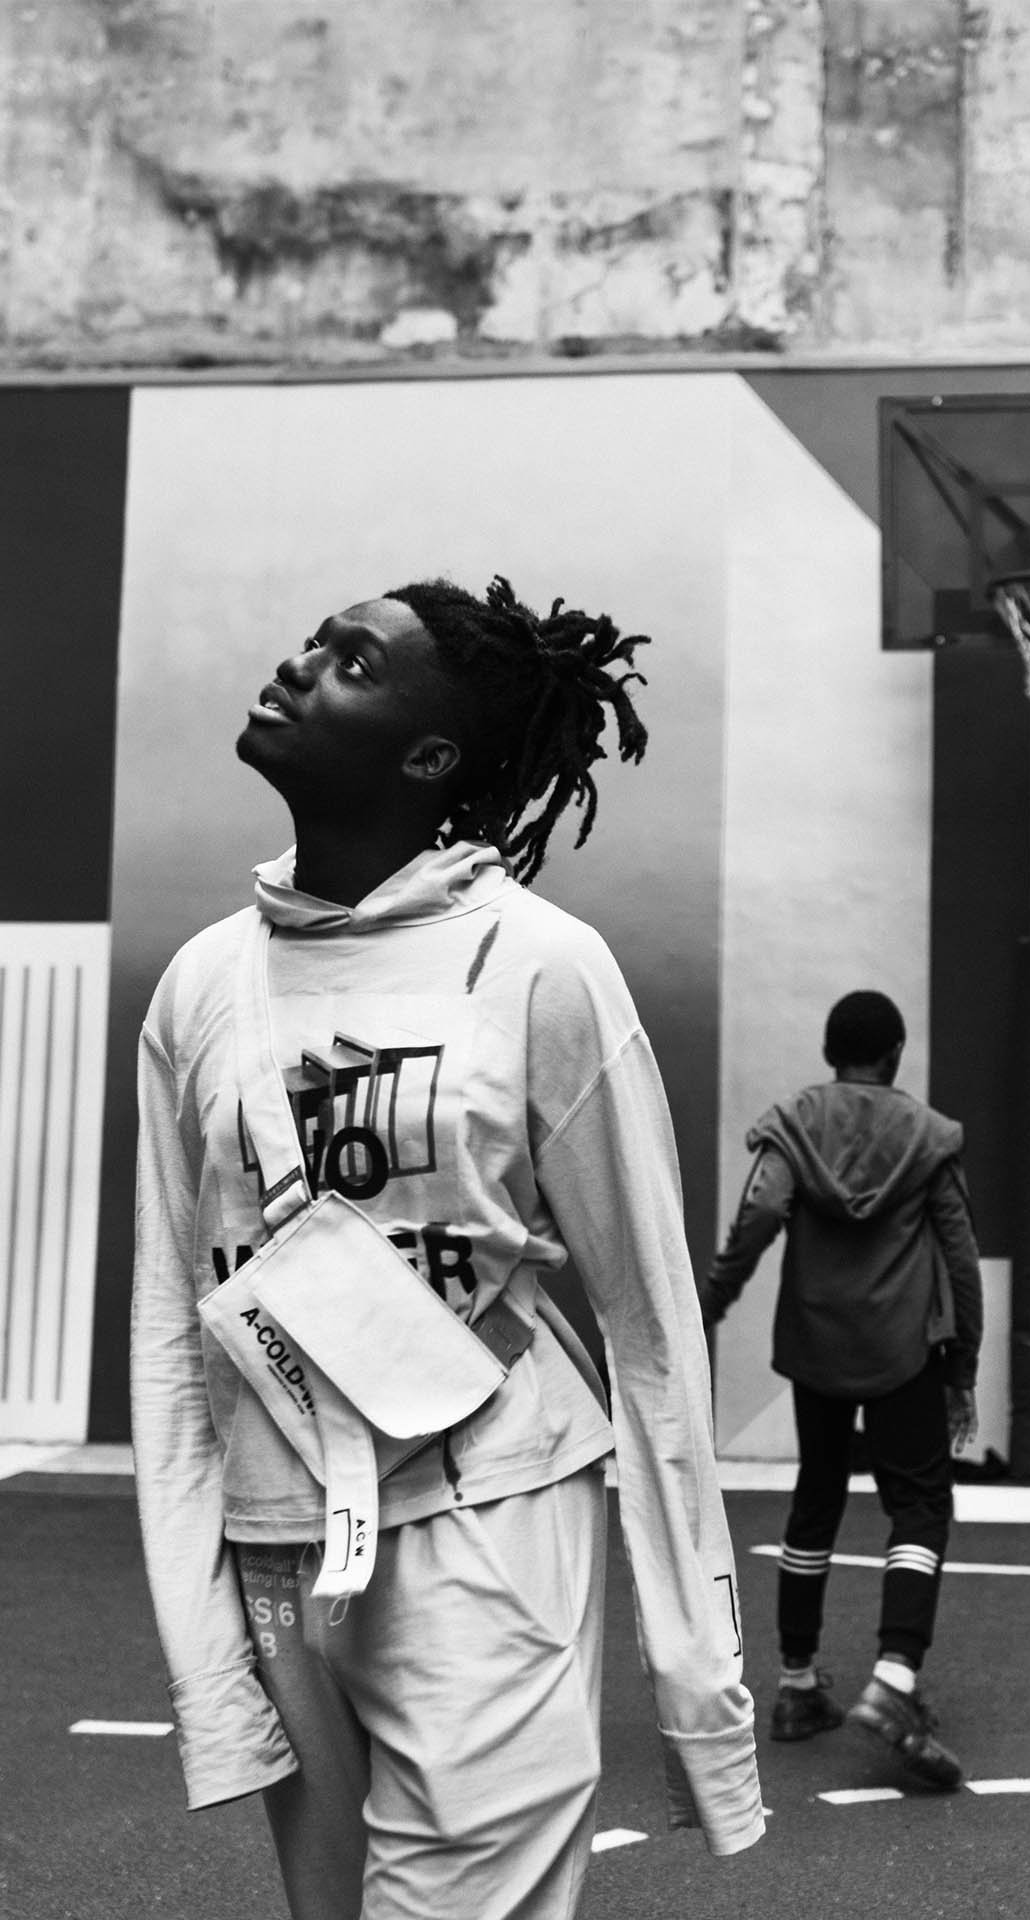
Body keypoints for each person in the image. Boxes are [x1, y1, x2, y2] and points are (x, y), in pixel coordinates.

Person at [131, 574, 764, 1920]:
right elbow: (174, 1330)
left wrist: (697, 1675)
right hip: (279, 1540)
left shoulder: (540, 966)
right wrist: (201, 1639)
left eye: (353, 663)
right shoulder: (201, 985)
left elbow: (650, 1322)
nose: (300, 665)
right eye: (315, 642)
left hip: (491, 1510)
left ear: (429, 758)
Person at [701, 989, 982, 1790]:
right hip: (903, 1351)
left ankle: (796, 1686)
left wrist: (714, 1299)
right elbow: (960, 1258)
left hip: (817, 1345)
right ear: (895, 1054)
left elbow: (761, 1212)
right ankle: (893, 1677)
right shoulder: (928, 1137)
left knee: (817, 1496)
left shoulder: (795, 1123)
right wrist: (961, 1368)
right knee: (919, 1505)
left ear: (831, 1052)